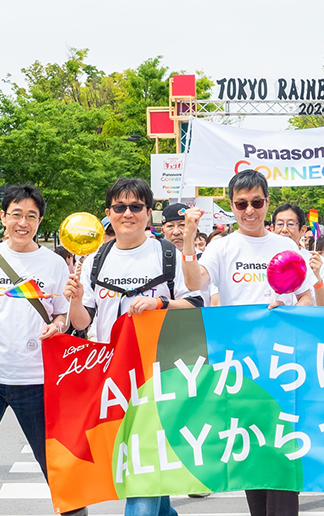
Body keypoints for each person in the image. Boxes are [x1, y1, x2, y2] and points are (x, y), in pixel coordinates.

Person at [182, 170, 315, 516]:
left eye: (257, 202)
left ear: (267, 202)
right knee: (250, 448)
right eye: (242, 204)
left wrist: (286, 311)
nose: (250, 210)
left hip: (284, 362)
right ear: (232, 205)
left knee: (283, 450)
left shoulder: (285, 246)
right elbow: (195, 280)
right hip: (238, 365)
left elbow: (307, 298)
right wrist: (188, 239)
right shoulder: (221, 247)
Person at [64, 178, 199, 516]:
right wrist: (76, 302)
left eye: (136, 207)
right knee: (146, 470)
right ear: (108, 214)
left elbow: (196, 305)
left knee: (142, 472)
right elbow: (82, 323)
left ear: (148, 213)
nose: (128, 214)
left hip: (160, 375)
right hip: (112, 377)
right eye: (120, 207)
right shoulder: (96, 258)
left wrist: (160, 306)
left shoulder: (167, 254)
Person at [0, 185, 82, 516]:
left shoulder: (53, 263)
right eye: (16, 214)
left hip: (36, 379)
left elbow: (63, 314)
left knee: (55, 465)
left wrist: (58, 325)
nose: (23, 222)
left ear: (40, 221)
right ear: (4, 217)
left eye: (31, 216)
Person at [272, 203, 324, 306]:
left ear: (303, 230)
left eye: (291, 224)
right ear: (273, 228)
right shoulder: (264, 258)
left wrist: (317, 279)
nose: (284, 229)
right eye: (280, 224)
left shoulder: (316, 262)